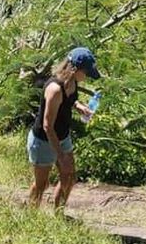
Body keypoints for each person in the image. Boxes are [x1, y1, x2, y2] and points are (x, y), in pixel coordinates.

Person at [27, 46, 101, 210]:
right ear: (74, 69)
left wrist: (77, 106)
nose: (87, 77)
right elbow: (47, 125)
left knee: (69, 177)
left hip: (63, 136)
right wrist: (60, 156)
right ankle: (30, 217)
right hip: (43, 141)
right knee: (42, 185)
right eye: (86, 73)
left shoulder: (72, 82)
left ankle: (58, 214)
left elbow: (68, 101)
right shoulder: (54, 89)